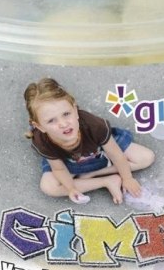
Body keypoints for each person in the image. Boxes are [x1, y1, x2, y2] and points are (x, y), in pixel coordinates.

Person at [24, 78, 155, 205]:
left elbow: (116, 155)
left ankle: (92, 174)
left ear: (75, 110)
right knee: (48, 187)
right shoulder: (42, 140)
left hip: (102, 152)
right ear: (39, 126)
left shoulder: (94, 126)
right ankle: (106, 181)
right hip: (68, 163)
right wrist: (71, 189)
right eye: (51, 120)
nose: (63, 124)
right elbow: (59, 169)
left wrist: (127, 178)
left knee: (146, 157)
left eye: (66, 114)